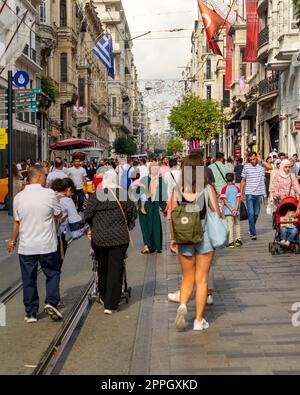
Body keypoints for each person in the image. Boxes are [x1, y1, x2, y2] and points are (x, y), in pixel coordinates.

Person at [171, 152, 221, 331]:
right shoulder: (207, 189)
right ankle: (198, 321)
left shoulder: (177, 190)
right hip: (205, 238)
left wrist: (173, 239)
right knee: (202, 280)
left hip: (184, 239)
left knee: (187, 278)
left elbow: (172, 217)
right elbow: (217, 212)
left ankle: (183, 304)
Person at [6, 165, 63, 323]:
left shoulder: (19, 197)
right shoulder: (49, 194)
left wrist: (12, 241)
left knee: (28, 279)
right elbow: (59, 214)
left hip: (26, 246)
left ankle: (31, 312)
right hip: (47, 245)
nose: (46, 178)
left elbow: (17, 223)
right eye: (45, 175)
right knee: (52, 273)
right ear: (38, 177)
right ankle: (51, 302)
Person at [84, 172, 137, 314]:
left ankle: (103, 295)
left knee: (102, 266)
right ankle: (111, 304)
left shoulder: (97, 195)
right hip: (119, 238)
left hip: (100, 238)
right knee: (115, 267)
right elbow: (133, 212)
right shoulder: (123, 194)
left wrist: (94, 226)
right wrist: (128, 225)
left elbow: (87, 215)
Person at [138, 162, 167, 254]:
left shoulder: (144, 179)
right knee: (155, 225)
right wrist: (164, 207)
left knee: (145, 225)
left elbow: (138, 192)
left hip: (144, 205)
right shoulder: (160, 181)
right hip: (154, 206)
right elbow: (163, 196)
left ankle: (147, 246)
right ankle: (157, 246)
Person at [240, 152, 266, 240]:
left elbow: (270, 167)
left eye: (254, 159)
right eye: (250, 159)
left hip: (258, 193)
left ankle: (251, 228)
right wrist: (240, 193)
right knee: (250, 213)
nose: (252, 161)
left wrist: (260, 160)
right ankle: (253, 233)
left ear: (256, 158)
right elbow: (243, 180)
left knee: (256, 213)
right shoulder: (246, 166)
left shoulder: (261, 167)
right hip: (249, 193)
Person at [221, 173, 242, 248]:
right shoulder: (237, 188)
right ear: (233, 179)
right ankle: (238, 240)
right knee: (237, 224)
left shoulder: (224, 189)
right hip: (236, 210)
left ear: (226, 179)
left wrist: (231, 209)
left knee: (230, 226)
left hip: (228, 211)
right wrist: (235, 209)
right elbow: (238, 198)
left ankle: (230, 242)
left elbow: (225, 201)